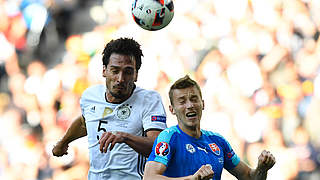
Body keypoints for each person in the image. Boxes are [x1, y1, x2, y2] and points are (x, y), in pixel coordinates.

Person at [52, 37, 167, 180]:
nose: (120, 79)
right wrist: (64, 142)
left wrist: (125, 137)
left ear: (136, 75)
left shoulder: (149, 100)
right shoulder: (90, 96)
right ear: (104, 70)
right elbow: (85, 122)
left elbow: (159, 148)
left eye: (128, 72)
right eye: (115, 70)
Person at [143, 75, 276, 180]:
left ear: (203, 104)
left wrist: (262, 168)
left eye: (194, 99)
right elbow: (149, 177)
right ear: (172, 110)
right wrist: (191, 179)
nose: (190, 105)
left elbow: (248, 177)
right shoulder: (169, 137)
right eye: (182, 101)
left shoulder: (217, 141)